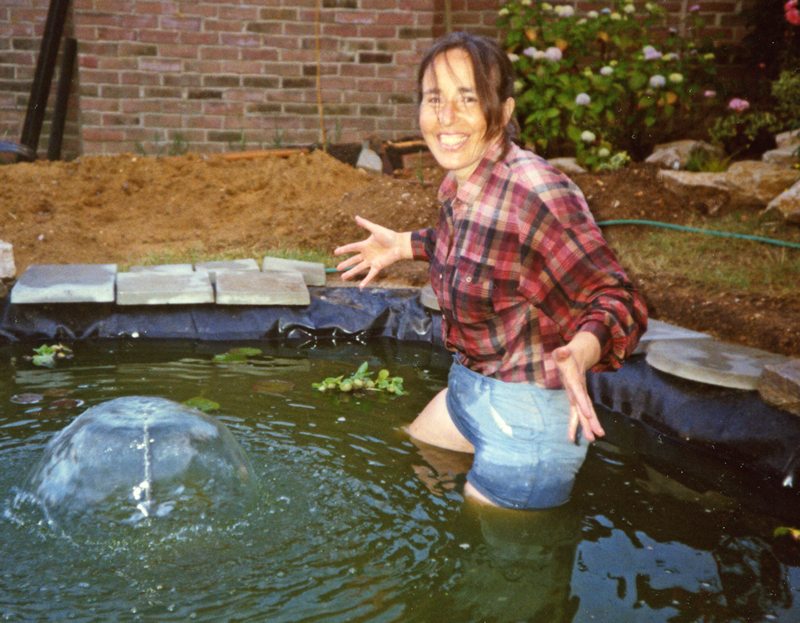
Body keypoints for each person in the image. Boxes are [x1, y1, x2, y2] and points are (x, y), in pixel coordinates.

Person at [334, 31, 647, 510]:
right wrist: (403, 245)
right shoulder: (468, 181)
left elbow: (617, 297)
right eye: (435, 98)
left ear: (502, 112)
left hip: (529, 420)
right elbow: (476, 247)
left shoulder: (535, 193)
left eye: (468, 98)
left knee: (495, 566)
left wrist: (582, 353)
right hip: (471, 390)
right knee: (412, 454)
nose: (446, 116)